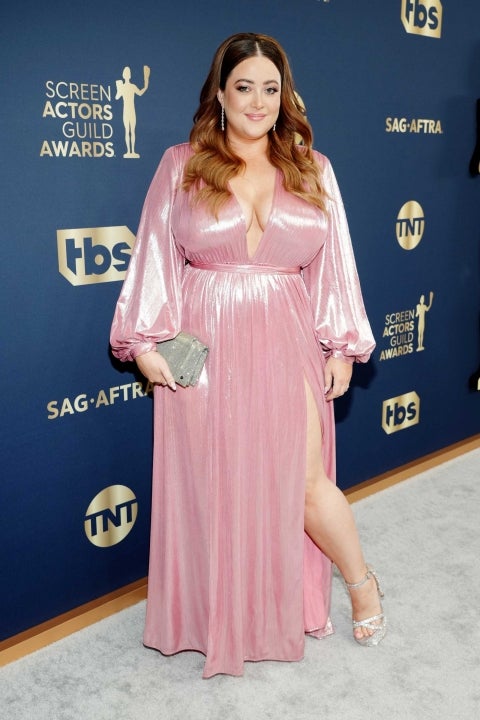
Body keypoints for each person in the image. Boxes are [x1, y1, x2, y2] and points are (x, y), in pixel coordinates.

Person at [110, 32, 385, 679]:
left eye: (270, 88)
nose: (258, 102)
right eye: (244, 87)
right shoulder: (182, 165)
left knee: (306, 485)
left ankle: (362, 582)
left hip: (288, 336)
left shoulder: (313, 168)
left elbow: (335, 262)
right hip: (205, 347)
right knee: (215, 487)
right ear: (220, 93)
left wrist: (342, 345)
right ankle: (228, 615)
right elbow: (154, 254)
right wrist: (143, 343)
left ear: (285, 96)